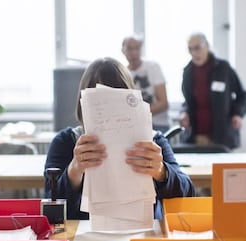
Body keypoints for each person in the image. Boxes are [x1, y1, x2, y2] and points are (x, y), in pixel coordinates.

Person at [44, 57, 195, 220]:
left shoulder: (152, 141)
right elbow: (51, 207)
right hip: (84, 236)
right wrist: (74, 171)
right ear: (84, 104)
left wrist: (162, 172)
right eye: (99, 102)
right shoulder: (66, 141)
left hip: (141, 235)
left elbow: (187, 195)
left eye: (118, 99)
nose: (110, 111)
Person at [180, 32, 246, 150]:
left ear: (207, 45)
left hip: (222, 136)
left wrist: (238, 114)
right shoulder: (188, 71)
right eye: (190, 49)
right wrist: (184, 113)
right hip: (197, 136)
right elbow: (188, 101)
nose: (194, 53)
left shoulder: (223, 68)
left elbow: (243, 95)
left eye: (197, 48)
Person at [122, 34, 170, 133]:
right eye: (130, 48)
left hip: (158, 125)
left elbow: (163, 103)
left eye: (137, 48)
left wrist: (138, 114)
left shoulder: (153, 67)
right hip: (135, 126)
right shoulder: (123, 73)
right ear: (123, 50)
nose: (134, 52)